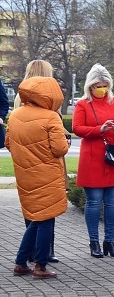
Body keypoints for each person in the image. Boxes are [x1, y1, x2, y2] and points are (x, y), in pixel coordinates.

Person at [5, 77, 69, 279]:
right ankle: (40, 265)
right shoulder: (51, 117)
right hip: (47, 176)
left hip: (25, 175)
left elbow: (8, 142)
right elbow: (60, 149)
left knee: (35, 219)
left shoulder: (14, 115)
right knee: (46, 219)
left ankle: (20, 262)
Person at [72, 64, 114, 258]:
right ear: (90, 86)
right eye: (98, 85)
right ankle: (94, 242)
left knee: (113, 204)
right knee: (94, 202)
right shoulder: (83, 104)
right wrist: (100, 129)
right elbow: (77, 128)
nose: (102, 88)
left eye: (105, 85)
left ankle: (110, 241)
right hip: (93, 158)